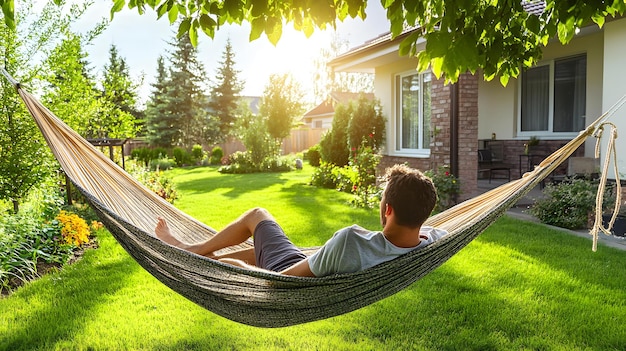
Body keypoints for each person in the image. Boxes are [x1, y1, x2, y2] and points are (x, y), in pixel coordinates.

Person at [155, 164, 447, 277]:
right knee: (260, 247)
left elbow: (280, 282)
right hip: (311, 260)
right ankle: (204, 251)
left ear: (387, 210)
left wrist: (237, 268)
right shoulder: (430, 242)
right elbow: (443, 230)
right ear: (425, 213)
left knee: (257, 216)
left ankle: (190, 251)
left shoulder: (351, 241)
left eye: (383, 199)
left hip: (285, 272)